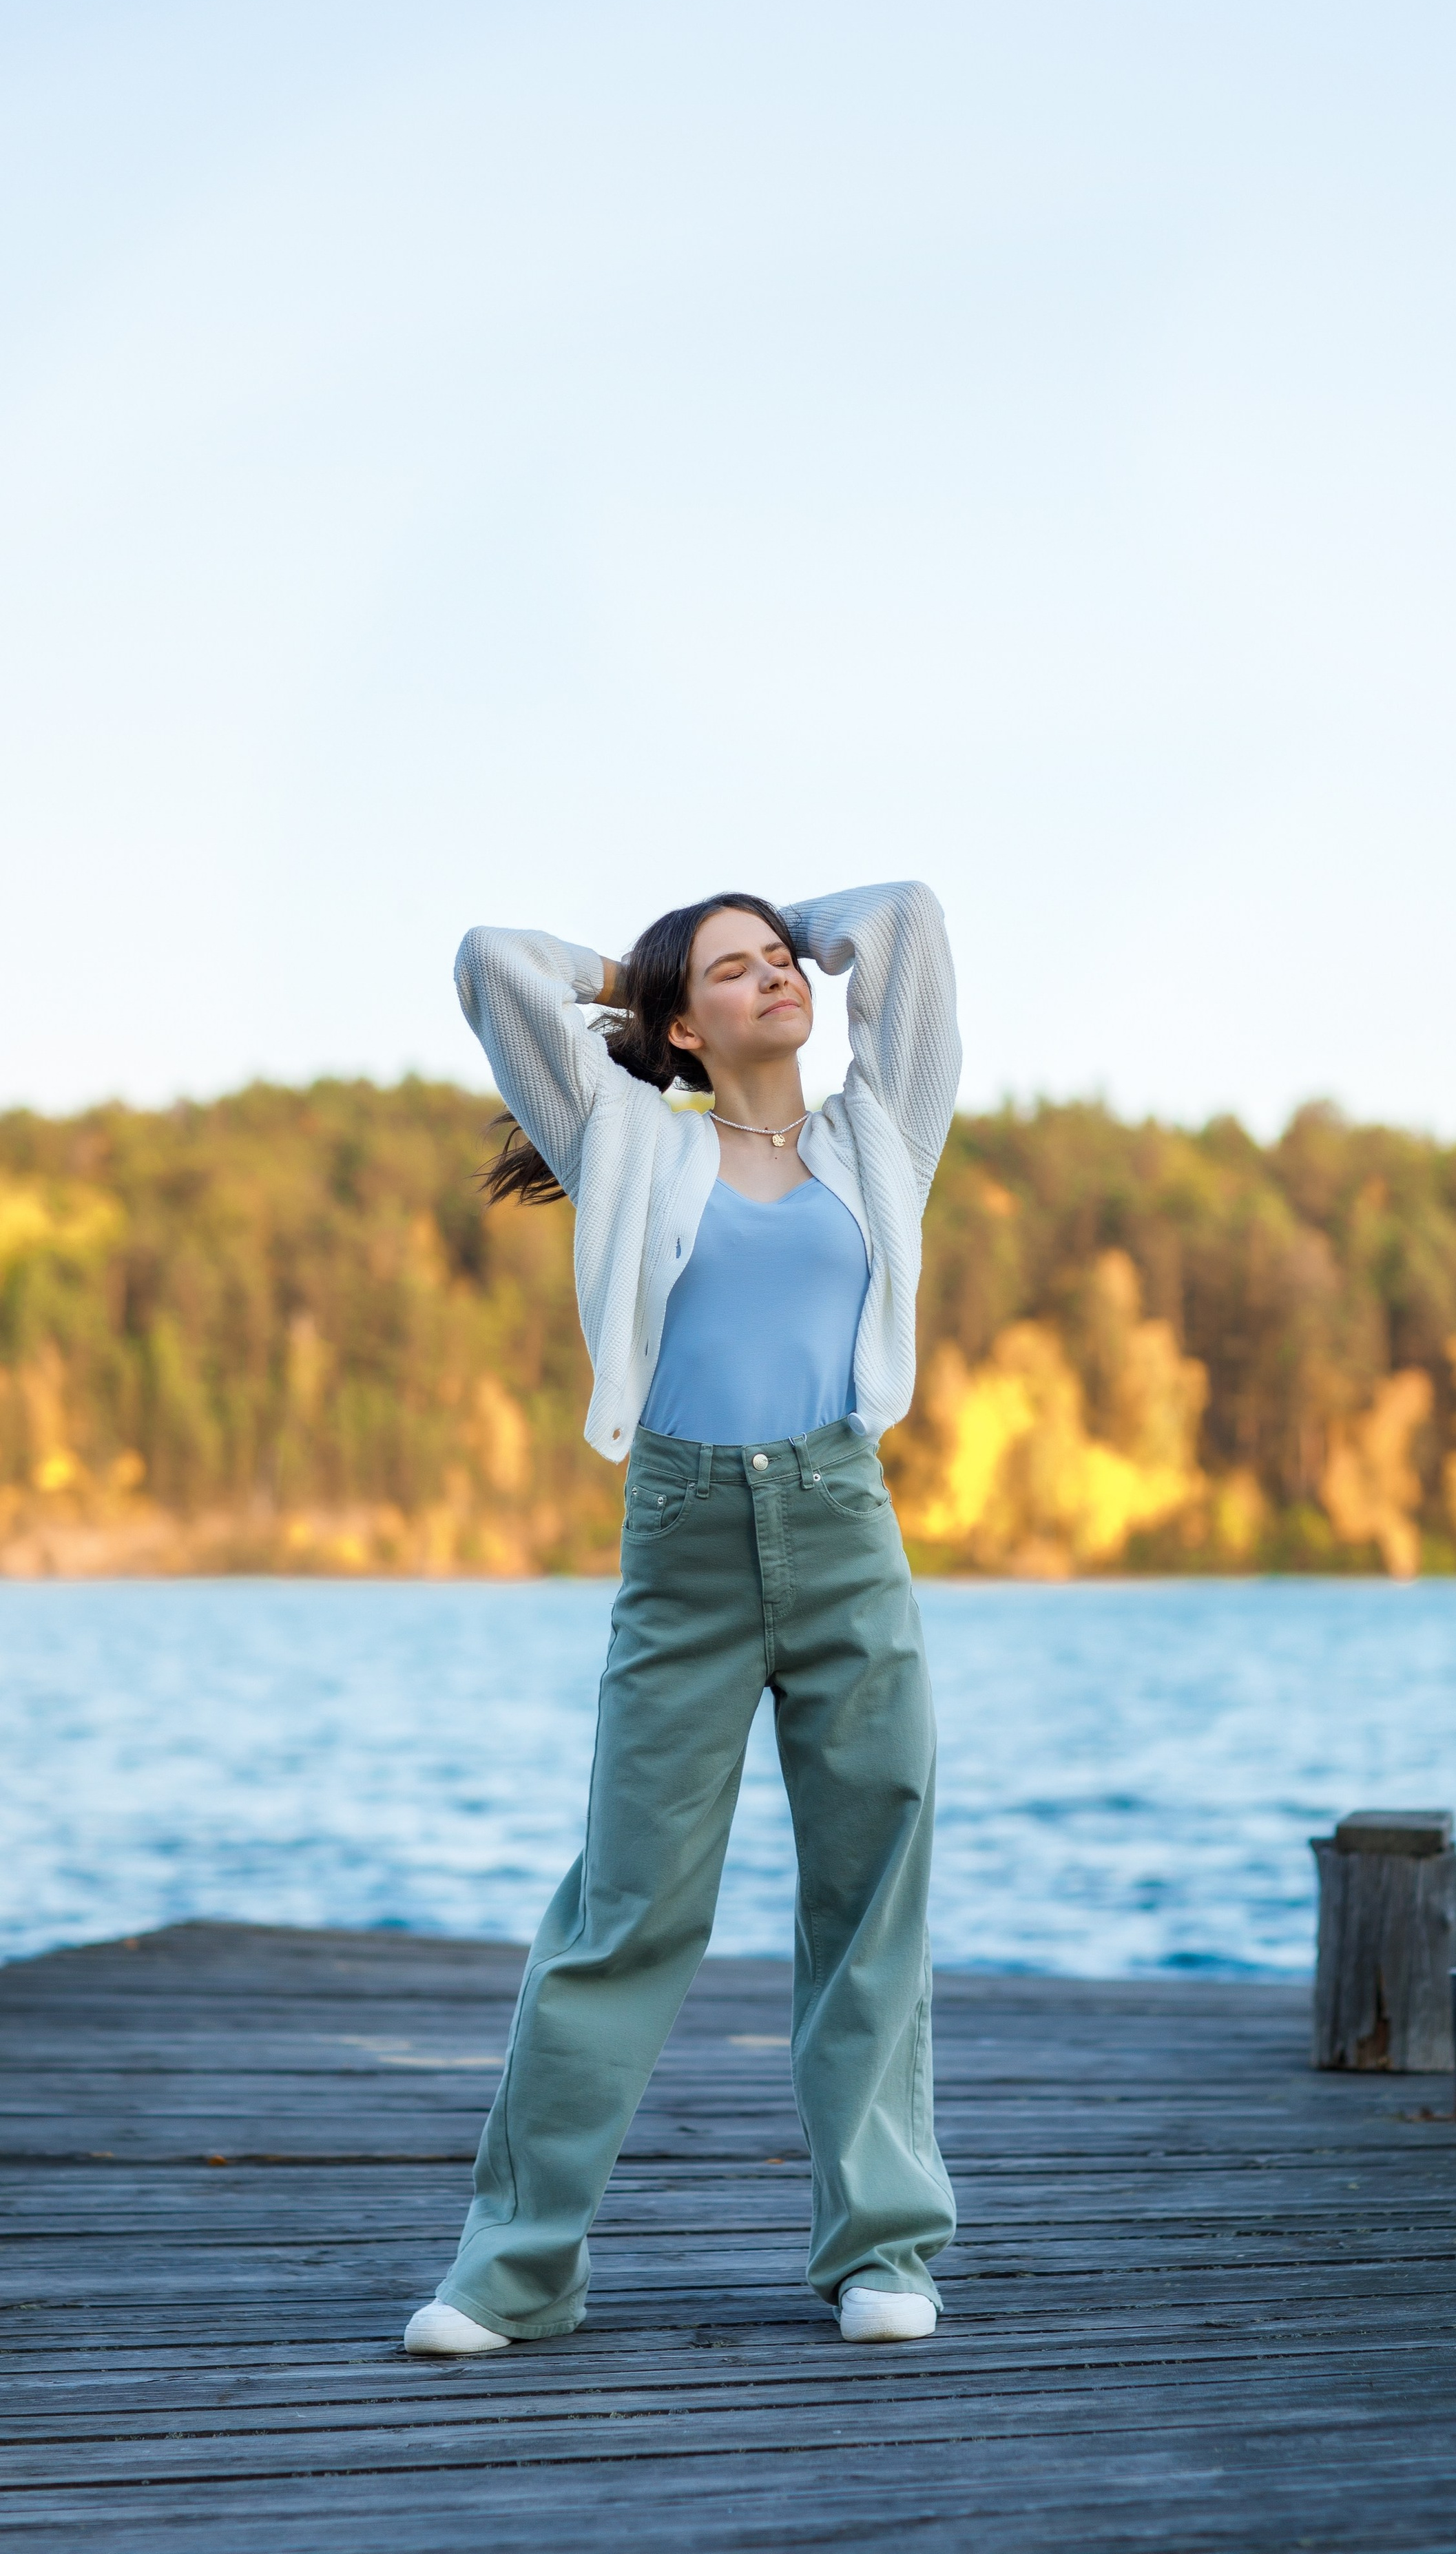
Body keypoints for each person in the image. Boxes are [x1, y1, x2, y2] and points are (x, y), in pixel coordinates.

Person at [404, 881, 961, 2356]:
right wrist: (638, 961)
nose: (779, 977)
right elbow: (489, 966)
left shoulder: (876, 1135)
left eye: (784, 961)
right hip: (685, 1541)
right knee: (625, 1908)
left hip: (844, 1525)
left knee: (868, 1898)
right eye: (735, 969)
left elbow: (903, 924)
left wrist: (785, 921)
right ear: (676, 1022)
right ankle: (513, 2270)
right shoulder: (628, 1143)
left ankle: (882, 2252)